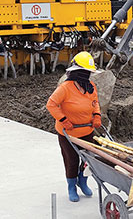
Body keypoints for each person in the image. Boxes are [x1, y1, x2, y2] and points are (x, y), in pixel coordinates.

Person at [46, 51, 102, 202]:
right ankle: (71, 186)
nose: (88, 75)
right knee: (71, 160)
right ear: (77, 72)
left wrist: (97, 115)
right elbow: (51, 104)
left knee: (87, 160)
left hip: (86, 130)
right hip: (68, 133)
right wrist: (63, 119)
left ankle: (82, 182)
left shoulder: (91, 86)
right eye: (85, 72)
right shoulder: (65, 88)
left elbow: (95, 102)